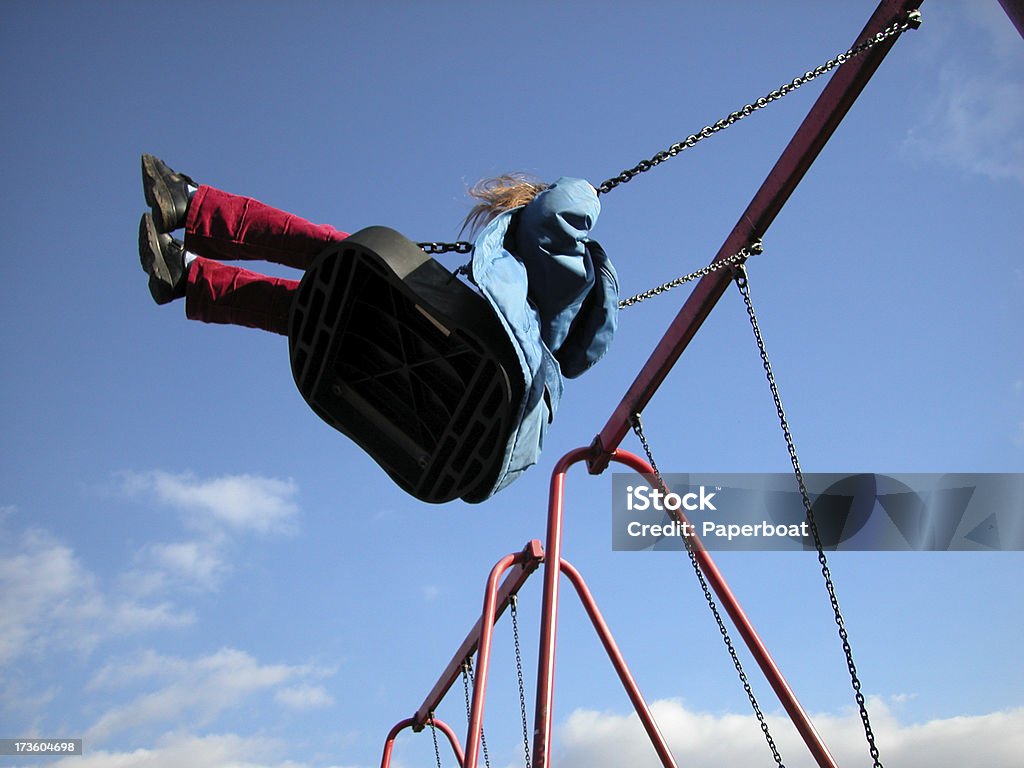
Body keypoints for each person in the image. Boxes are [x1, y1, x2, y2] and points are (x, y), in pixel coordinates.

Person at [137, 154, 619, 497]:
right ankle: (188, 274)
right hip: (486, 444)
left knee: (346, 256)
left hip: (484, 383)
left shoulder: (559, 265)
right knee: (339, 308)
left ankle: (193, 206)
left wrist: (585, 193)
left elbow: (562, 209)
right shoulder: (549, 327)